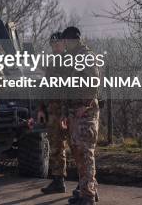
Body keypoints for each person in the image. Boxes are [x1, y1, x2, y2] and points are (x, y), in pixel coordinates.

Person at [62, 26, 100, 205]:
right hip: (74, 112)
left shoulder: (85, 56)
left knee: (85, 154)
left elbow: (94, 81)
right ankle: (88, 189)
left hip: (85, 113)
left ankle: (88, 196)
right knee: (79, 154)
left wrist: (85, 105)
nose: (64, 45)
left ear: (72, 41)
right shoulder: (73, 58)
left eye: (66, 42)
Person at [41, 31, 70, 194]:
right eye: (52, 44)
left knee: (78, 147)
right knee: (56, 148)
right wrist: (42, 109)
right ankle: (58, 181)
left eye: (57, 43)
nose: (55, 46)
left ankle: (86, 184)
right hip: (53, 112)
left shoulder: (71, 61)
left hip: (67, 112)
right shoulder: (52, 62)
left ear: (64, 44)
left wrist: (65, 113)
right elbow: (46, 88)